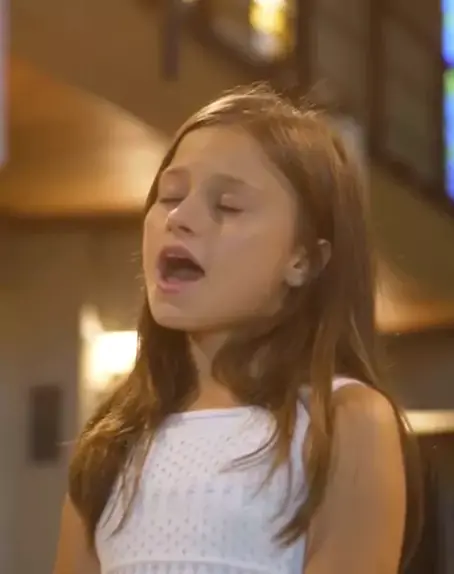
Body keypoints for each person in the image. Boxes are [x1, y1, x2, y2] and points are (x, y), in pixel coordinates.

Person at [53, 85, 422, 574]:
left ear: (303, 259)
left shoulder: (343, 421)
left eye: (227, 206)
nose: (180, 218)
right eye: (170, 196)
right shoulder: (113, 439)